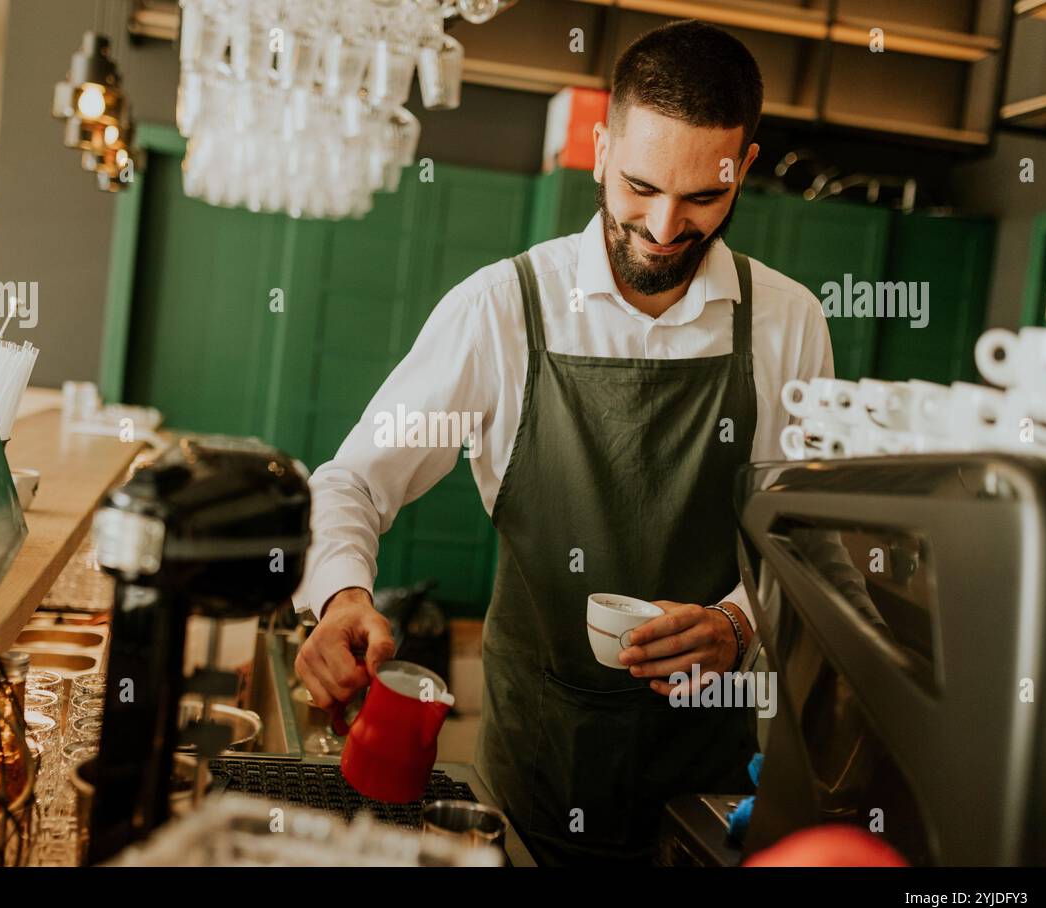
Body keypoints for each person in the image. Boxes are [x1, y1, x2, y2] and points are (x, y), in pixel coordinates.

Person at [293, 19, 834, 865]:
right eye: (640, 186)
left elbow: (801, 538)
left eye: (702, 198)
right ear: (600, 146)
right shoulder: (501, 310)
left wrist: (737, 621)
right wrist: (341, 597)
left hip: (707, 784)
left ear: (745, 170)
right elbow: (354, 482)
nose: (662, 226)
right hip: (535, 771)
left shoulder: (788, 321)